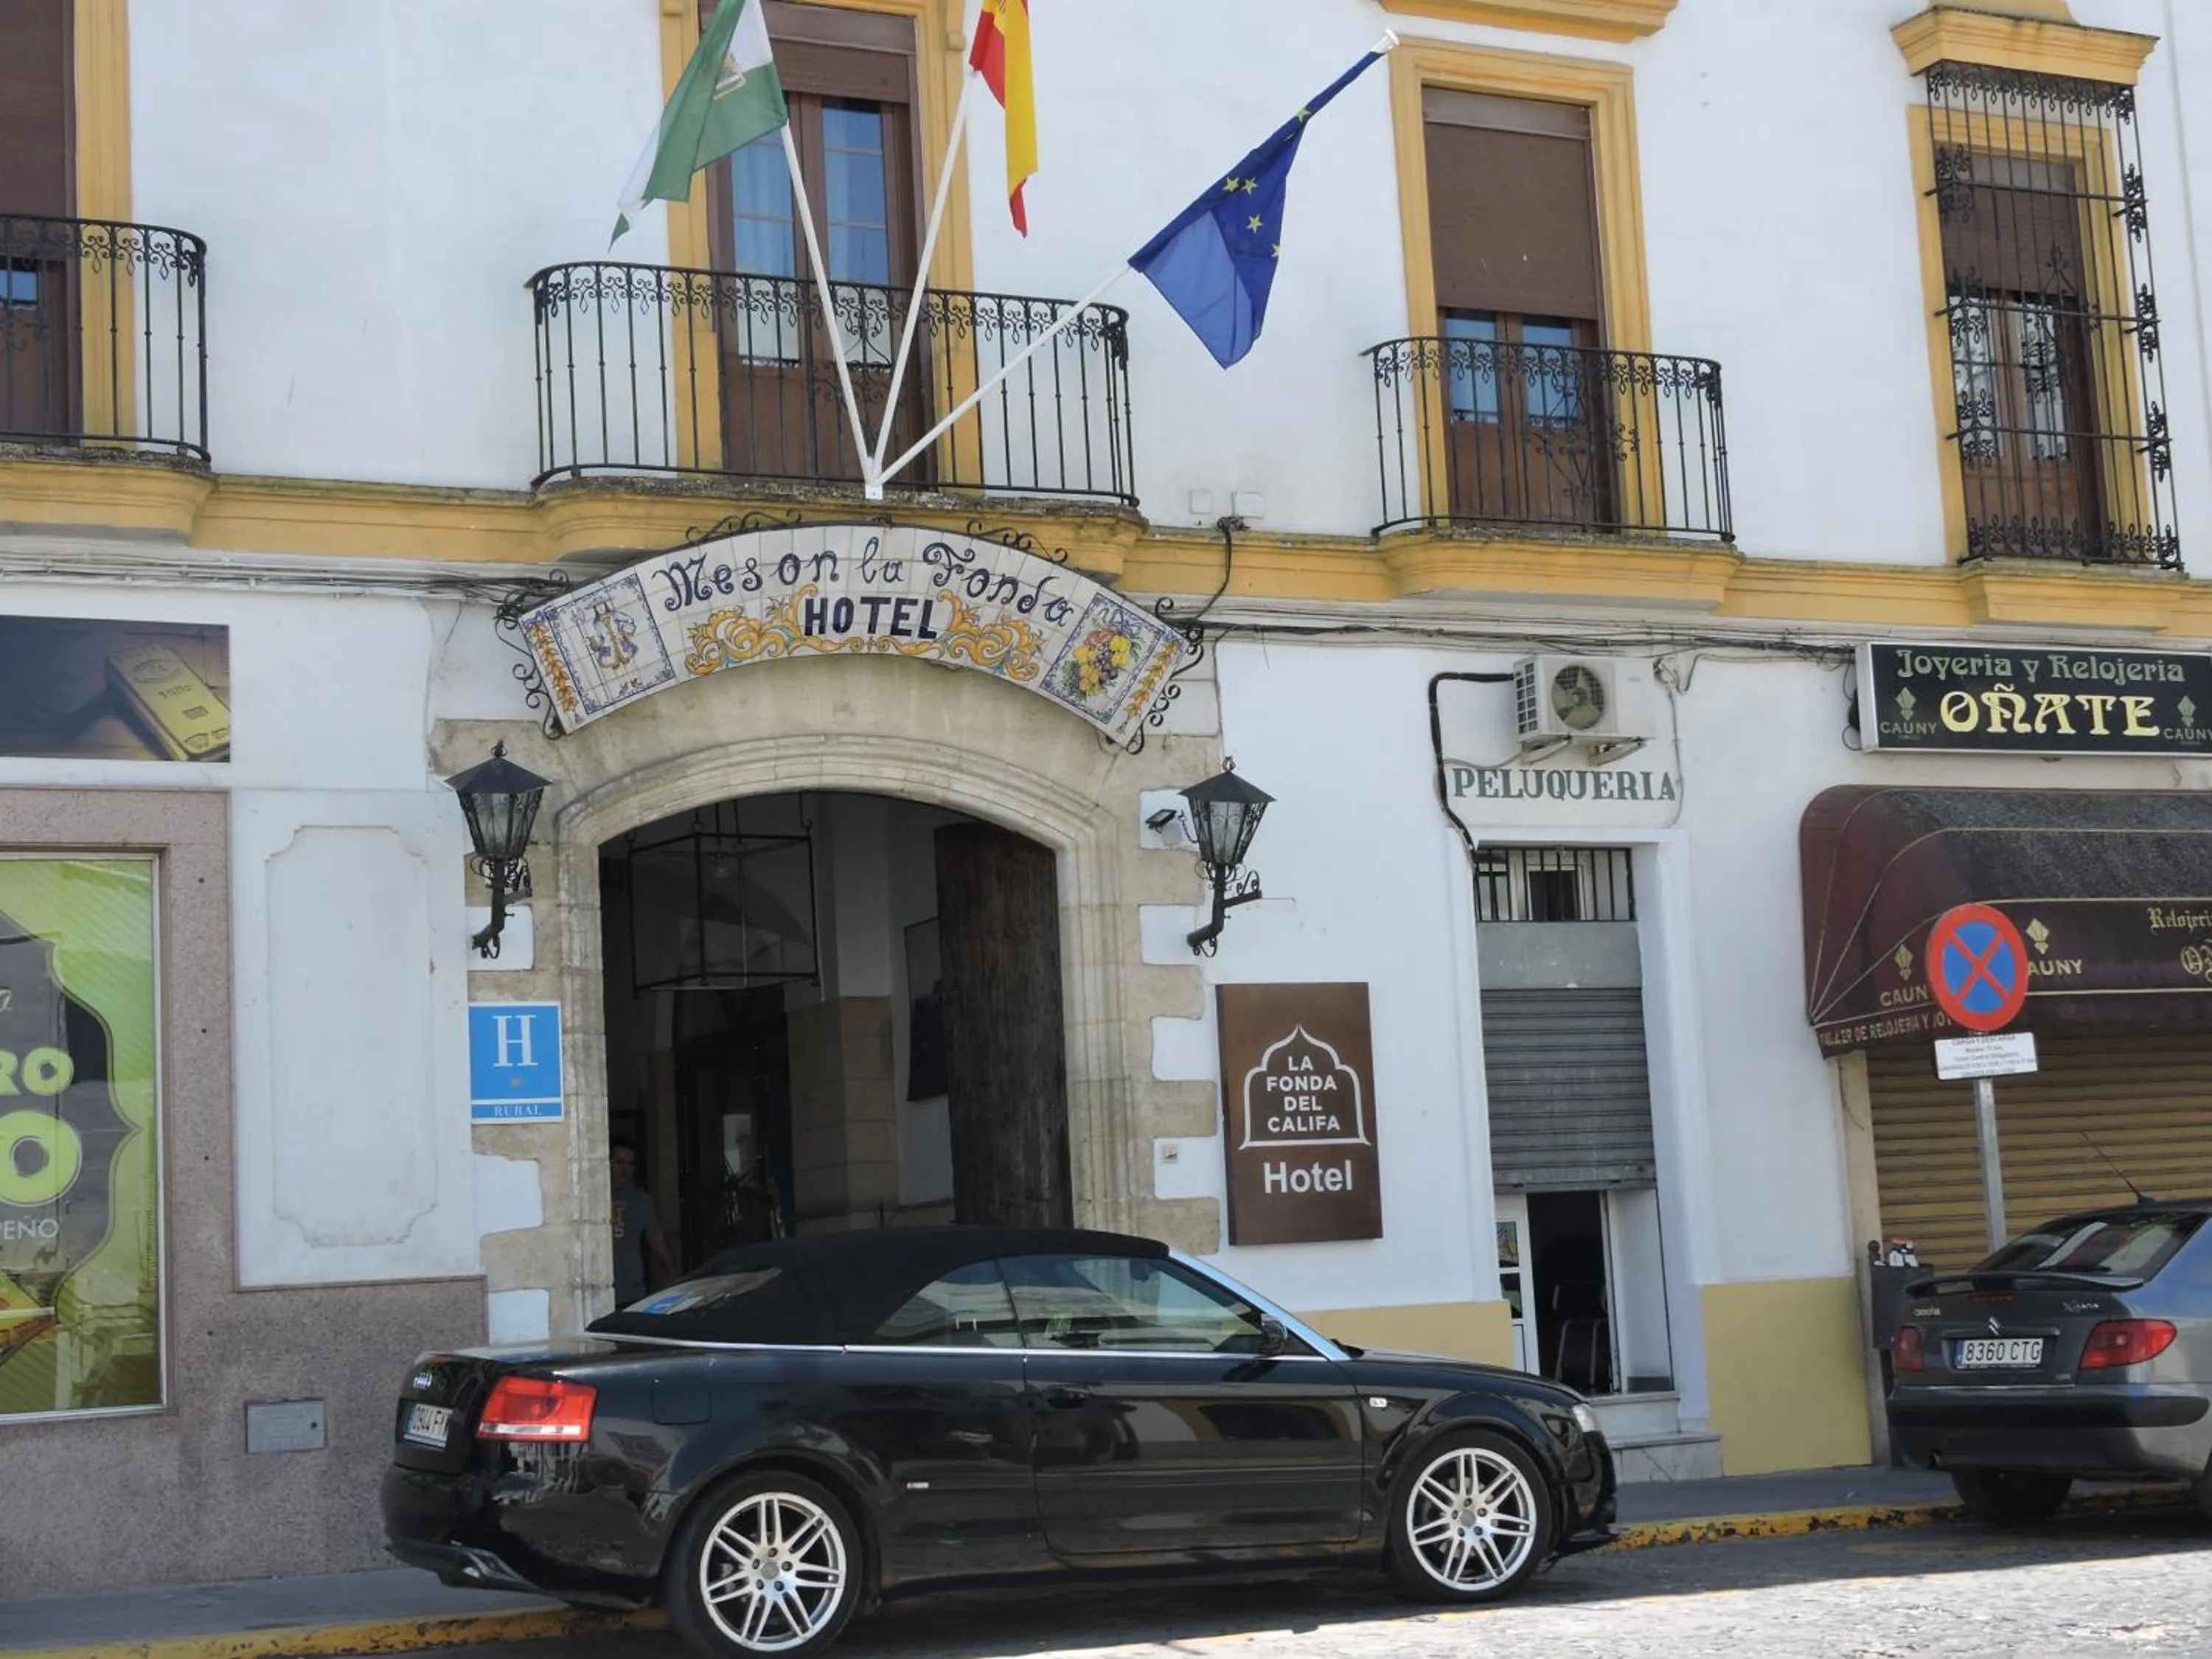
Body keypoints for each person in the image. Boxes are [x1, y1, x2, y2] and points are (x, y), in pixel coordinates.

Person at [609, 1140, 675, 1307]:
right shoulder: (589, 1197)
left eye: (630, 1164)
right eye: (619, 1163)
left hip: (631, 1291)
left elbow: (656, 1238)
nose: (625, 1170)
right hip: (597, 1290)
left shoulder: (641, 1199)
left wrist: (672, 1271)